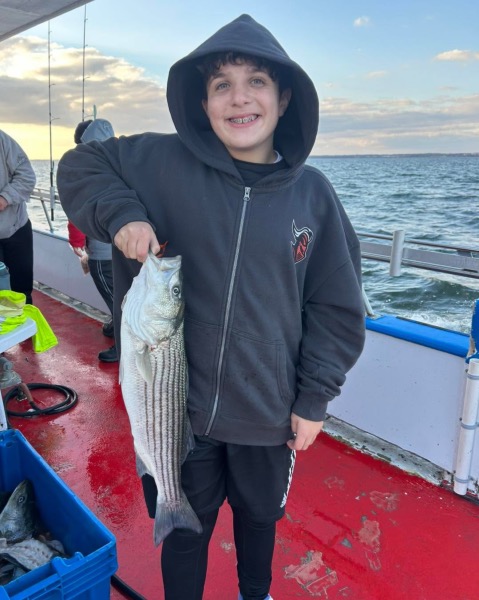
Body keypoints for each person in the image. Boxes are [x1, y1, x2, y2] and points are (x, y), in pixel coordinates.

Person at [57, 14, 365, 600]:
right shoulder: (158, 160)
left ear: (284, 98)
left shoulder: (314, 196)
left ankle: (255, 593)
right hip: (178, 412)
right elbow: (79, 167)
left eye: (256, 82)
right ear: (202, 101)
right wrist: (122, 216)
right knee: (182, 532)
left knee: (259, 520)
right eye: (222, 84)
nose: (239, 98)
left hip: (269, 412)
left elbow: (335, 307)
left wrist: (315, 397)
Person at [68, 119, 118, 362]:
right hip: (125, 249)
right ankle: (115, 324)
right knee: (122, 292)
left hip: (102, 252)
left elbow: (79, 208)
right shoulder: (119, 163)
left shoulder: (86, 168)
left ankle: (124, 346)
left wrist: (77, 241)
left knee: (115, 298)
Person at [0, 130, 36, 304]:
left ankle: (25, 321)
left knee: (22, 292)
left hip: (16, 229)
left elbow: (27, 176)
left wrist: (5, 198)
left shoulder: (3, 141)